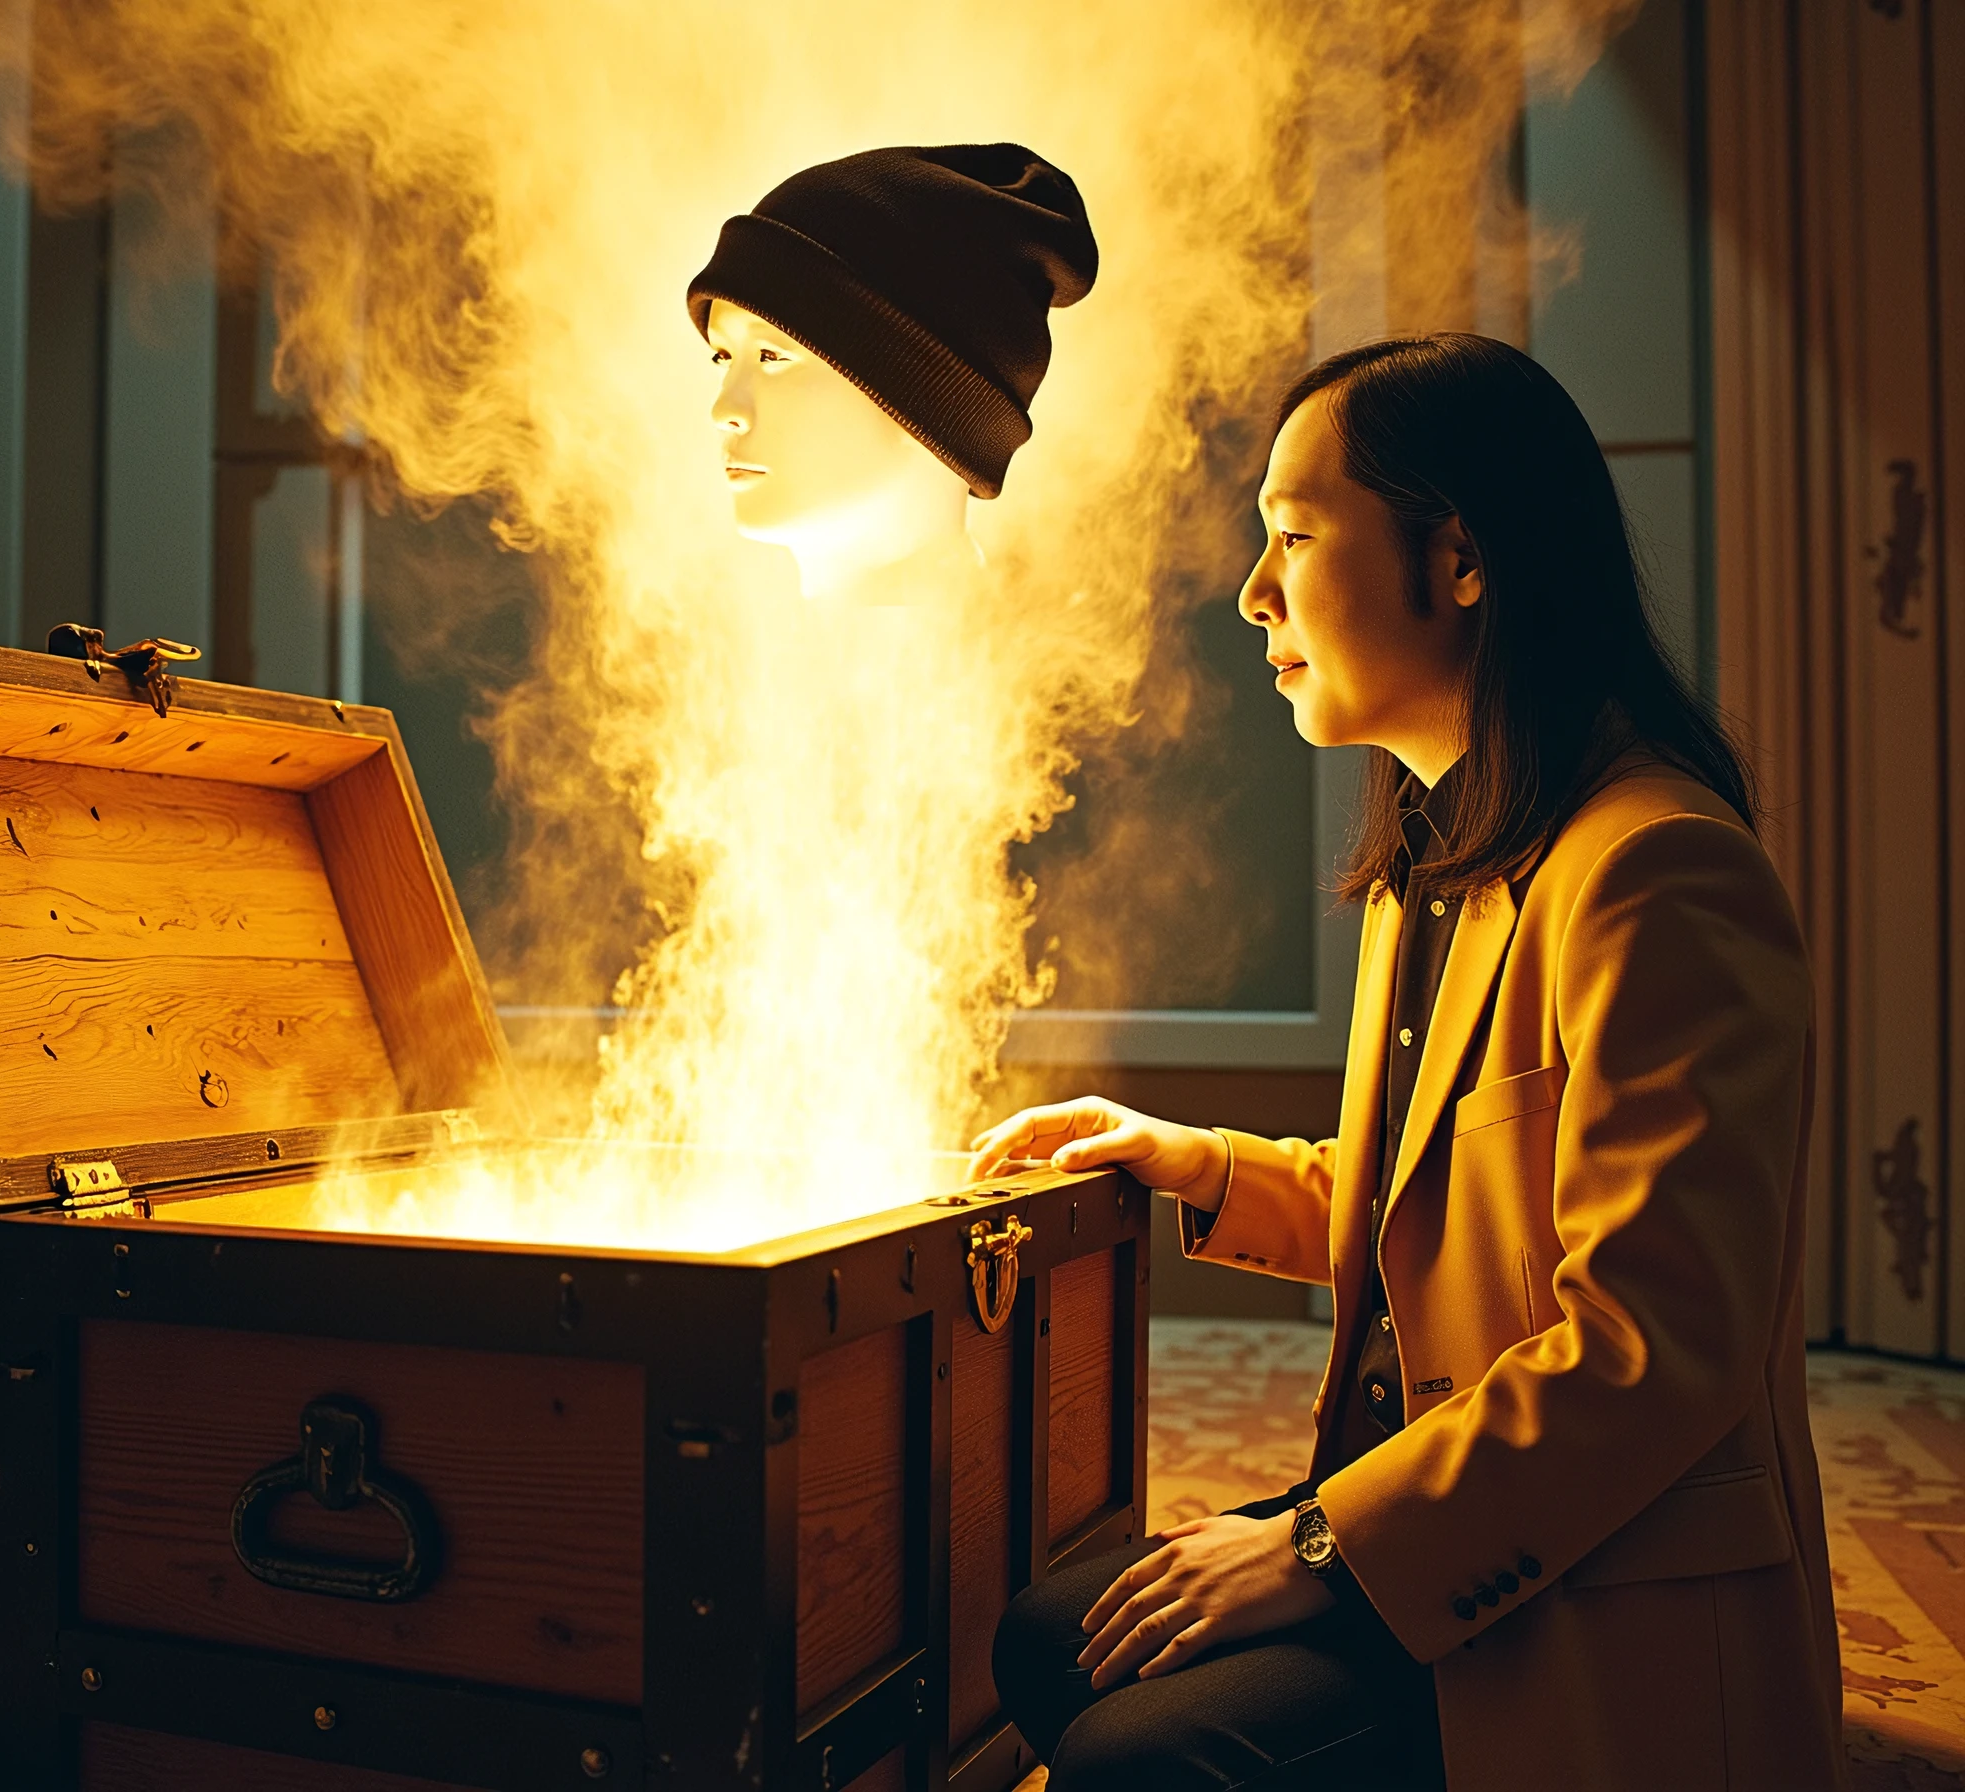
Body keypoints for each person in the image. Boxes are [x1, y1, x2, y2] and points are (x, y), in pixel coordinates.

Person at [974, 334, 1844, 1792]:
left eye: (1295, 537)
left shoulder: (1661, 872)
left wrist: (1316, 1543)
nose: (1254, 593)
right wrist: (1193, 1160)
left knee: (1138, 1751)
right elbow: (1451, 1219)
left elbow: (1648, 1353)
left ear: (1460, 560)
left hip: (1596, 1572)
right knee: (1052, 1642)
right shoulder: (1433, 866)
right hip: (1450, 1509)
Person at [686, 142, 1097, 597]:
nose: (724, 409)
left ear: (930, 400)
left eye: (772, 356)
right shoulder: (729, 658)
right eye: (723, 358)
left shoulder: (1054, 662)